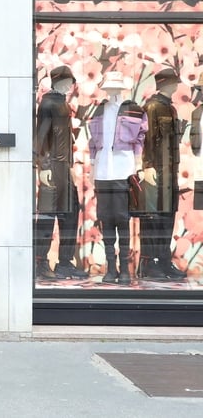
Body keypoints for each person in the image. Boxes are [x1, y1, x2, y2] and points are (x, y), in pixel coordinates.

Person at [87, 72, 147, 285]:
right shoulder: (99, 111)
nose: (111, 92)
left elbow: (140, 138)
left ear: (121, 89)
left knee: (122, 218)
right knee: (106, 218)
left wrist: (138, 164)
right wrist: (92, 168)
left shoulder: (134, 109)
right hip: (103, 172)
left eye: (115, 88)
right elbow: (93, 143)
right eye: (109, 88)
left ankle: (124, 270)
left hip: (124, 169)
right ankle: (111, 268)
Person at [34, 65, 89, 280]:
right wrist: (44, 167)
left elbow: (64, 142)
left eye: (71, 81)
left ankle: (65, 262)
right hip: (52, 167)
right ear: (58, 82)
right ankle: (40, 263)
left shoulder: (61, 104)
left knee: (70, 214)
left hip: (64, 168)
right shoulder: (48, 103)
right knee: (48, 217)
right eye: (67, 81)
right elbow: (40, 138)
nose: (70, 85)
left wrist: (70, 167)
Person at [138, 68, 186, 280]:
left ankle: (164, 261)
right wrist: (147, 165)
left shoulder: (170, 109)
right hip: (155, 171)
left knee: (167, 216)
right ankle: (149, 263)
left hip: (170, 172)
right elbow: (146, 138)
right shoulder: (152, 107)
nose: (176, 86)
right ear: (167, 84)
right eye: (174, 82)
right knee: (153, 217)